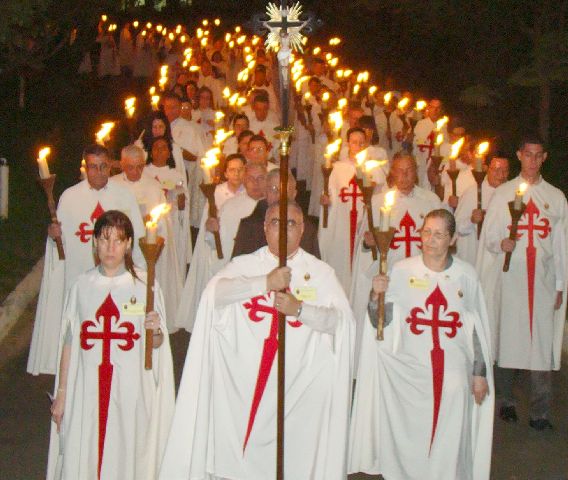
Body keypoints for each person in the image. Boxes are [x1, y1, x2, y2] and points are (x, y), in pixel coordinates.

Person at [159, 201, 354, 480]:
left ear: (302, 230)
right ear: (264, 228)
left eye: (291, 224)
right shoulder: (245, 265)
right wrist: (263, 282)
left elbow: (341, 322)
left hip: (298, 390)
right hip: (245, 386)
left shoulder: (321, 274)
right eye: (276, 222)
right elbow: (213, 296)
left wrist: (300, 310)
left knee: (292, 459)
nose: (283, 230)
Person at [349, 209, 494, 480]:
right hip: (409, 373)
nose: (430, 239)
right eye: (426, 232)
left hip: (454, 375)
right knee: (411, 438)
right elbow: (380, 321)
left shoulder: (466, 275)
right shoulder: (402, 270)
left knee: (450, 439)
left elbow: (476, 330)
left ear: (452, 240)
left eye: (438, 234)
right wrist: (374, 295)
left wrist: (479, 374)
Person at [46, 211, 175, 480]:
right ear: (94, 242)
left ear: (129, 244)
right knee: (89, 448)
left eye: (117, 240)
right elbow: (71, 340)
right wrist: (61, 393)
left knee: (125, 450)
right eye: (104, 240)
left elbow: (159, 343)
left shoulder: (144, 285)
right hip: (88, 388)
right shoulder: (82, 286)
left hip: (130, 388)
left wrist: (156, 331)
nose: (110, 248)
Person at [27, 145, 145, 376]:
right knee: (83, 333)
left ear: (111, 166)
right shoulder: (70, 197)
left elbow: (137, 239)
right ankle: (75, 378)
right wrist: (54, 237)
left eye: (103, 167)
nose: (99, 172)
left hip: (115, 278)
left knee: (113, 332)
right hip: (79, 276)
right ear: (85, 167)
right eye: (93, 167)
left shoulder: (123, 195)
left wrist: (140, 277)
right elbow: (60, 247)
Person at [477, 136, 568, 430]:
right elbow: (489, 236)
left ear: (544, 158)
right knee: (510, 339)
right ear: (519, 155)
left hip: (542, 280)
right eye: (527, 154)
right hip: (512, 278)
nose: (532, 160)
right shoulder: (503, 193)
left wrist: (559, 285)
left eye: (538, 155)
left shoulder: (555, 198)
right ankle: (507, 402)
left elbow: (561, 244)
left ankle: (540, 412)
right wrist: (499, 243)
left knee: (542, 345)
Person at [349, 152, 443, 367]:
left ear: (416, 172)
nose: (404, 175)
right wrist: (368, 243)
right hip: (389, 278)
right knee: (391, 329)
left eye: (409, 170)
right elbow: (363, 247)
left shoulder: (430, 201)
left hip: (422, 279)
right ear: (392, 173)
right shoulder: (377, 202)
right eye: (399, 170)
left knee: (419, 326)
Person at [111, 145, 182, 328]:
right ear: (121, 165)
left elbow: (164, 220)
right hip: (120, 248)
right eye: (130, 167)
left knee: (143, 286)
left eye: (140, 166)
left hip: (146, 249)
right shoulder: (113, 185)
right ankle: (123, 318)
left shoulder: (153, 185)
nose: (136, 171)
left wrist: (151, 225)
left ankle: (144, 318)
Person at [175, 154, 246, 332]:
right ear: (225, 173)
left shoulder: (248, 192)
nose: (236, 174)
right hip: (217, 248)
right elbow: (207, 220)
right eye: (232, 170)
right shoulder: (216, 192)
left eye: (240, 169)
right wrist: (210, 227)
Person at [318, 127, 386, 292]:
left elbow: (381, 198)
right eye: (354, 142)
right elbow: (331, 194)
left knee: (361, 262)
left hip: (364, 223)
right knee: (341, 261)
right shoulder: (337, 168)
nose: (358, 146)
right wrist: (327, 201)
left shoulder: (374, 169)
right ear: (348, 143)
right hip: (342, 222)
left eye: (362, 143)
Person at [232, 169, 320, 258]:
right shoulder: (249, 227)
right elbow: (237, 267)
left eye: (285, 189)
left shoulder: (307, 228)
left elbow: (314, 266)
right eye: (274, 189)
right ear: (265, 193)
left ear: (294, 194)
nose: (279, 195)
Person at [145, 136, 192, 275]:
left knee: (170, 264)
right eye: (156, 148)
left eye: (163, 148)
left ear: (169, 153)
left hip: (171, 224)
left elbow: (184, 206)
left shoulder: (176, 175)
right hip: (149, 223)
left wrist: (181, 203)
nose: (159, 151)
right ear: (151, 152)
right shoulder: (144, 173)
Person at [454, 156, 509, 265]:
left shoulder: (510, 194)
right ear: (487, 169)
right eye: (497, 170)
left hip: (498, 258)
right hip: (474, 254)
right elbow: (457, 227)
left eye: (505, 171)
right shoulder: (472, 193)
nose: (501, 175)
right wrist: (471, 220)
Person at [162, 91, 206, 227]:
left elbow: (195, 156)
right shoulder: (159, 126)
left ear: (180, 107)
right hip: (162, 175)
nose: (170, 111)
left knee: (176, 211)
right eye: (167, 107)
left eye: (174, 107)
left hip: (182, 176)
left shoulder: (188, 128)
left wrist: (176, 149)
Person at [412, 98, 448, 188]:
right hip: (422, 162)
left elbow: (446, 145)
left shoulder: (443, 125)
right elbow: (417, 143)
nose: (435, 110)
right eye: (433, 107)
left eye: (438, 108)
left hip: (437, 165)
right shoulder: (421, 123)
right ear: (428, 108)